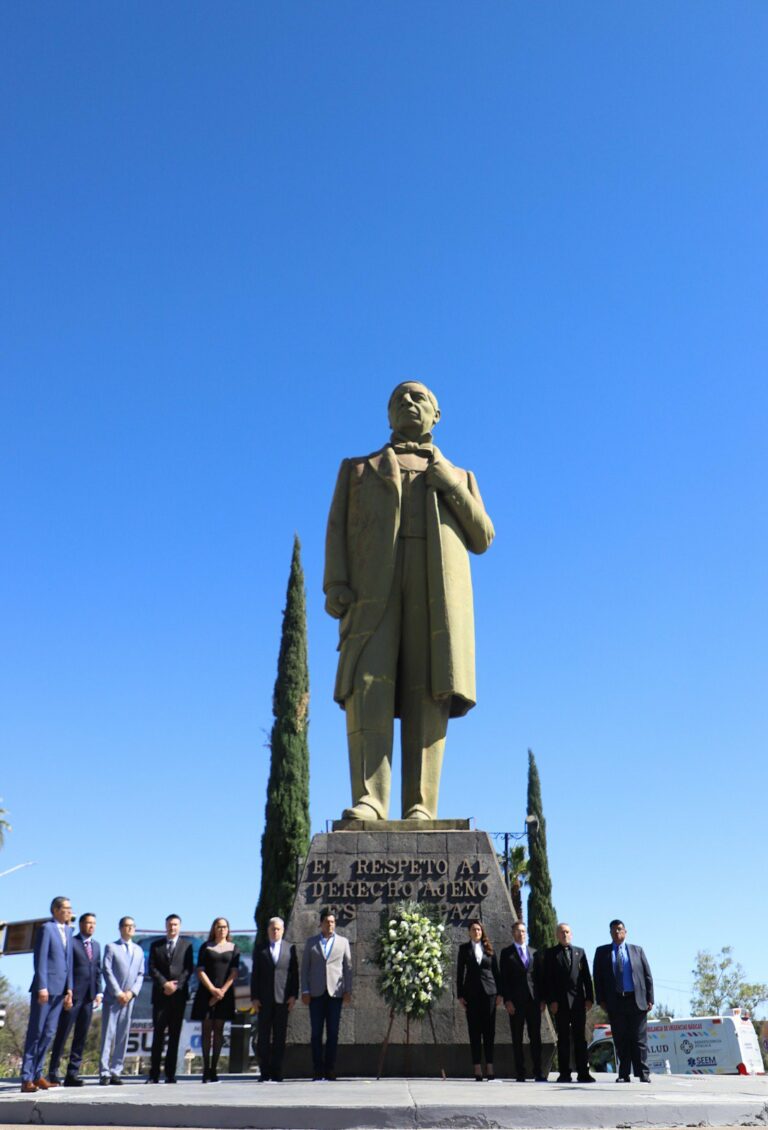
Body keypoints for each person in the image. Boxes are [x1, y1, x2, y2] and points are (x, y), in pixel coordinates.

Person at [324, 380, 495, 821]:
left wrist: (449, 486)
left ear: (436, 415)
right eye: (399, 398)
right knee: (368, 686)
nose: (408, 402)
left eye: (419, 397)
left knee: (428, 688)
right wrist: (335, 583)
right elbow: (337, 529)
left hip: (434, 592)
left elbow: (483, 536)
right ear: (387, 415)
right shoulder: (357, 469)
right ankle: (371, 798)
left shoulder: (461, 476)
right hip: (371, 590)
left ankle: (421, 804)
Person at [20, 896, 74, 1092]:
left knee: (49, 1033)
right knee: (36, 1032)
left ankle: (37, 1074)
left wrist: (70, 988)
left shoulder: (68, 931)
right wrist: (42, 986)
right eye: (66, 908)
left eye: (70, 908)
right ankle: (26, 1077)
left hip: (61, 990)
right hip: (45, 989)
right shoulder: (46, 929)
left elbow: (69, 963)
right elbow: (40, 959)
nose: (69, 911)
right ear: (56, 910)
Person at [593, 919, 654, 1083]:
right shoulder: (602, 952)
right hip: (615, 1002)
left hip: (636, 1000)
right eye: (613, 930)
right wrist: (601, 1001)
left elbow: (647, 976)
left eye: (619, 929)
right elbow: (597, 979)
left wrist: (650, 998)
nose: (617, 932)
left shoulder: (637, 950)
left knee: (639, 1039)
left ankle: (643, 1073)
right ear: (610, 933)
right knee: (621, 1039)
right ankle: (623, 1074)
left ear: (625, 932)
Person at [48, 911, 102, 1086]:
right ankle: (53, 1071)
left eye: (94, 923)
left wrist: (98, 993)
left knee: (81, 1036)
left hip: (88, 997)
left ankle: (73, 1073)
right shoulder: (72, 943)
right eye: (88, 923)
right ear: (80, 924)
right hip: (73, 995)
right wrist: (67, 992)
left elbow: (97, 971)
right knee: (63, 1034)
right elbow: (67, 969)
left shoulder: (97, 946)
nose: (91, 926)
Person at [300, 910, 352, 1081]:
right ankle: (317, 1069)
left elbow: (348, 968)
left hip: (335, 994)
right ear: (321, 923)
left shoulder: (343, 942)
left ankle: (330, 1068)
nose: (330, 924)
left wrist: (348, 990)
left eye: (333, 922)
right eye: (327, 922)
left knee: (333, 1032)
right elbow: (305, 969)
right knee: (316, 1033)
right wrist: (305, 991)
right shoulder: (311, 943)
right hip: (315, 994)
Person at [543, 922, 595, 1083]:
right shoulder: (551, 954)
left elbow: (587, 977)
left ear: (571, 934)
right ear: (557, 935)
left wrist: (589, 999)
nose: (565, 934)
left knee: (580, 1039)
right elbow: (548, 980)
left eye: (567, 932)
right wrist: (552, 1001)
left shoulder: (580, 952)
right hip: (561, 1004)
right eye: (562, 932)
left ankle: (583, 1073)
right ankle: (564, 1073)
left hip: (579, 1003)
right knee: (563, 1039)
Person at [191, 917, 240, 1083]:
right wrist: (212, 989)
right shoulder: (206, 947)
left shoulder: (234, 948)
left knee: (219, 1030)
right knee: (206, 1030)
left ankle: (214, 1069)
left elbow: (234, 972)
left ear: (228, 929)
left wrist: (222, 991)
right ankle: (205, 1069)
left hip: (224, 995)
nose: (222, 929)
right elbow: (200, 970)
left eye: (225, 927)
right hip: (206, 993)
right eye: (219, 927)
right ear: (213, 928)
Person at [251, 916, 298, 1083]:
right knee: (263, 1038)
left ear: (283, 930)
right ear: (268, 930)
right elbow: (255, 975)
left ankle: (277, 1071)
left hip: (283, 999)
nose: (275, 931)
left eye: (278, 929)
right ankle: (264, 1072)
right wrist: (254, 997)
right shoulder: (260, 949)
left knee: (280, 1037)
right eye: (272, 929)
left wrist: (294, 995)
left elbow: (294, 974)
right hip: (263, 1000)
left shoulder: (290, 948)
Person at [148, 913, 194, 1084]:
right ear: (165, 926)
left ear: (179, 926)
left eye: (175, 925)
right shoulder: (156, 946)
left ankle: (170, 1074)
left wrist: (176, 986)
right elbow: (151, 968)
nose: (172, 927)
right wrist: (164, 984)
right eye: (169, 924)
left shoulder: (186, 946)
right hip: (160, 997)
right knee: (158, 1036)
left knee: (174, 1037)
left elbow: (188, 969)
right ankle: (153, 1074)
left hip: (178, 997)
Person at [500, 921, 547, 1082]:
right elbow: (504, 979)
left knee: (536, 1038)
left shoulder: (534, 952)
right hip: (516, 1002)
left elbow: (540, 978)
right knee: (517, 1038)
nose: (521, 934)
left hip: (533, 1001)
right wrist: (507, 1000)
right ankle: (520, 1072)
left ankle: (538, 1072)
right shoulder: (507, 953)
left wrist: (542, 1000)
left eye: (523, 931)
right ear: (513, 933)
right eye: (518, 931)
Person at [100, 916, 145, 1084]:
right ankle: (104, 1071)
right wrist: (118, 992)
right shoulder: (111, 947)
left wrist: (132, 993)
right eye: (126, 926)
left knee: (122, 1035)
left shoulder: (139, 950)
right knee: (108, 1035)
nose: (130, 929)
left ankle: (115, 1070)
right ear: (120, 928)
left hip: (129, 999)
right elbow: (107, 970)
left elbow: (141, 974)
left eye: (132, 926)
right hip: (113, 998)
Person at [456, 920, 502, 1081]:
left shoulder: (489, 949)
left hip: (489, 993)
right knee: (474, 1030)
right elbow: (460, 973)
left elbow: (496, 972)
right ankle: (477, 1066)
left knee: (489, 1030)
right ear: (469, 932)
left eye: (479, 929)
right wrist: (460, 995)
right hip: (471, 994)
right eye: (474, 929)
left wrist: (500, 994)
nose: (477, 932)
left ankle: (489, 1065)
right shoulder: (464, 949)